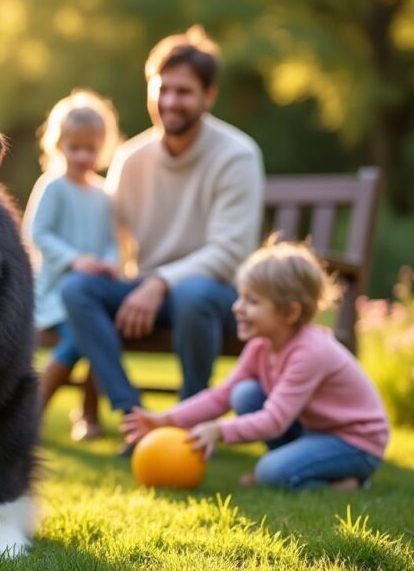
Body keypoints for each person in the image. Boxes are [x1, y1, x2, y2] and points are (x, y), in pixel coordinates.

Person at [60, 26, 265, 442]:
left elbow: (230, 251)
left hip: (217, 297)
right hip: (147, 294)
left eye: (184, 92)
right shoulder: (131, 158)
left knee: (194, 294)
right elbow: (111, 233)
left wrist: (157, 281)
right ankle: (134, 417)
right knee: (77, 289)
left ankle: (187, 421)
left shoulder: (237, 155)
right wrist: (107, 269)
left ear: (209, 96)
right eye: (162, 89)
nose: (170, 101)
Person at [121, 238, 390, 490]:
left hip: (355, 441)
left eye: (252, 301)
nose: (237, 308)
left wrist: (219, 430)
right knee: (244, 393)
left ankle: (345, 483)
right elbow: (222, 395)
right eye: (240, 297)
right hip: (314, 429)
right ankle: (294, 463)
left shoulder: (309, 352)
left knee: (270, 473)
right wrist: (167, 419)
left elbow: (274, 420)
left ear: (291, 311)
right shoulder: (260, 345)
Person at [23, 89, 121, 441]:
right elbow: (39, 234)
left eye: (91, 149)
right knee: (79, 340)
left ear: (103, 149)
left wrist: (109, 263)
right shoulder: (54, 186)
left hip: (91, 293)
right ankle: (32, 412)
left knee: (96, 333)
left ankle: (89, 414)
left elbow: (111, 241)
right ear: (58, 145)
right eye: (74, 147)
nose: (82, 156)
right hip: (55, 293)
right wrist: (76, 259)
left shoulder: (102, 193)